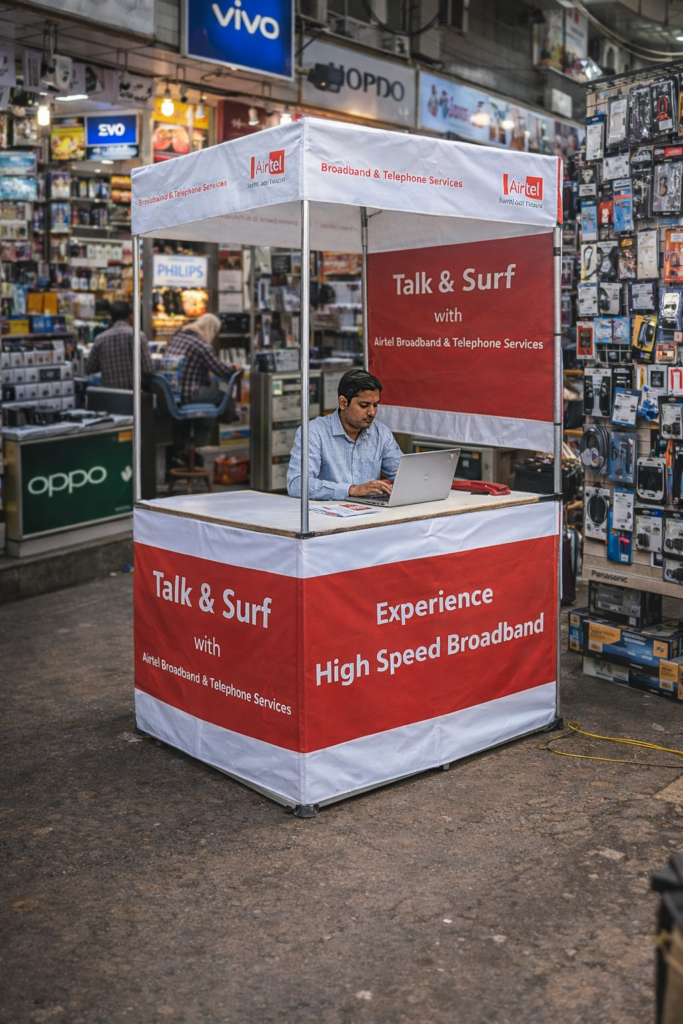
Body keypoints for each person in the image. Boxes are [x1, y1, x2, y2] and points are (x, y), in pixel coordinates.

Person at [287, 368, 402, 500]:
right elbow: (297, 484)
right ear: (343, 403)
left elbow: (403, 475)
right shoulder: (313, 432)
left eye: (375, 405)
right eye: (364, 405)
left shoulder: (381, 432)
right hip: (328, 511)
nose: (371, 412)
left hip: (372, 510)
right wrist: (351, 490)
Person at [164, 313, 239, 460]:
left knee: (204, 415)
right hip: (189, 394)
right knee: (224, 396)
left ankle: (186, 454)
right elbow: (220, 370)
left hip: (172, 394)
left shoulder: (178, 337)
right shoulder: (202, 345)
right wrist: (234, 367)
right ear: (211, 330)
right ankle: (230, 418)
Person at [84, 300, 153, 390]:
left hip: (110, 395)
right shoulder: (138, 336)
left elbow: (89, 369)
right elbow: (148, 369)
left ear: (112, 319)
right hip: (134, 395)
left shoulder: (100, 339)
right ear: (130, 316)